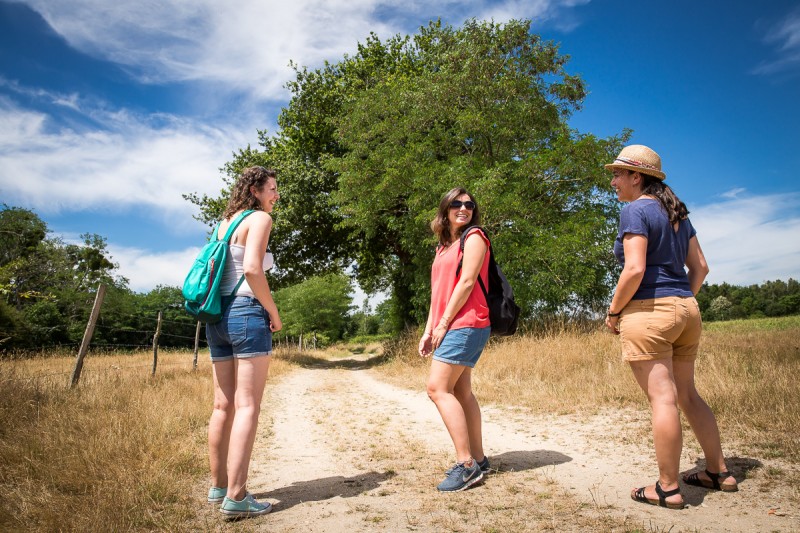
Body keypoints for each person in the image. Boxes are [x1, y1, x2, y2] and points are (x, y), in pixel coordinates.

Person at [604, 145, 738, 510]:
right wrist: (680, 301)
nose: (613, 181)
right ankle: (718, 471)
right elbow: (702, 268)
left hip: (648, 312)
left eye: (618, 174)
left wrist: (614, 312)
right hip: (687, 310)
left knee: (663, 399)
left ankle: (667, 488)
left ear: (637, 177)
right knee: (688, 395)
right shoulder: (677, 212)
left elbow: (633, 269)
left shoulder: (635, 210)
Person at [205, 166, 282, 519]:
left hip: (217, 317)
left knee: (224, 406)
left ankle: (219, 486)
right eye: (271, 189)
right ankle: (236, 497)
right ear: (255, 190)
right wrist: (273, 311)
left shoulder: (222, 225)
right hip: (247, 312)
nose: (276, 196)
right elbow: (252, 269)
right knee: (248, 406)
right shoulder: (259, 220)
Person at [418, 187, 492, 492]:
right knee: (462, 391)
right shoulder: (443, 247)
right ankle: (479, 458)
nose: (464, 208)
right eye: (457, 204)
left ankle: (466, 466)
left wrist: (445, 323)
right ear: (445, 209)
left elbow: (467, 281)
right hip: (451, 324)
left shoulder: (474, 237)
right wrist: (429, 328)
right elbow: (439, 293)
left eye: (469, 204)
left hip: (468, 321)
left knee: (437, 388)